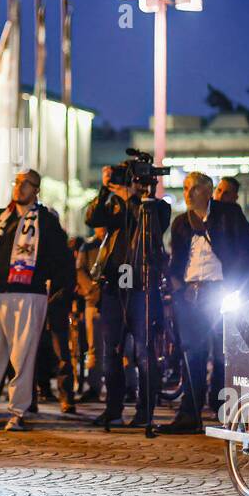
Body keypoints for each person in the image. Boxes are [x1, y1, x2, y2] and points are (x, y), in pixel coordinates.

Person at [0, 170, 73, 430]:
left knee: (22, 356)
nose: (20, 187)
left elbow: (62, 260)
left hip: (29, 294)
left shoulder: (46, 221)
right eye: (17, 182)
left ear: (36, 189)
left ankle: (18, 411)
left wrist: (54, 292)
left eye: (26, 183)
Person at [164, 171, 249, 433]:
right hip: (192, 293)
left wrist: (238, 288)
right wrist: (178, 288)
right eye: (184, 188)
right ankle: (190, 414)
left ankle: (225, 409)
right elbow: (176, 261)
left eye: (191, 188)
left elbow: (246, 255)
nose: (187, 193)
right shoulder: (181, 223)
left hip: (222, 290)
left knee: (223, 353)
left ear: (206, 191)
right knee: (192, 353)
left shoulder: (230, 215)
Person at [85, 163, 172, 428]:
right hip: (114, 286)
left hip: (142, 287)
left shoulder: (157, 207)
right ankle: (113, 409)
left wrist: (133, 196)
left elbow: (153, 226)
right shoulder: (115, 205)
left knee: (144, 352)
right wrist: (104, 189)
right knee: (112, 351)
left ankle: (144, 411)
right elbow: (92, 219)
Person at [74, 226, 106, 402]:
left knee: (124, 347)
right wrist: (91, 290)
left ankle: (129, 387)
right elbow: (80, 271)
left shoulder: (117, 241)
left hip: (113, 300)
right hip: (93, 301)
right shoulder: (88, 247)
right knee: (94, 346)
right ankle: (94, 386)